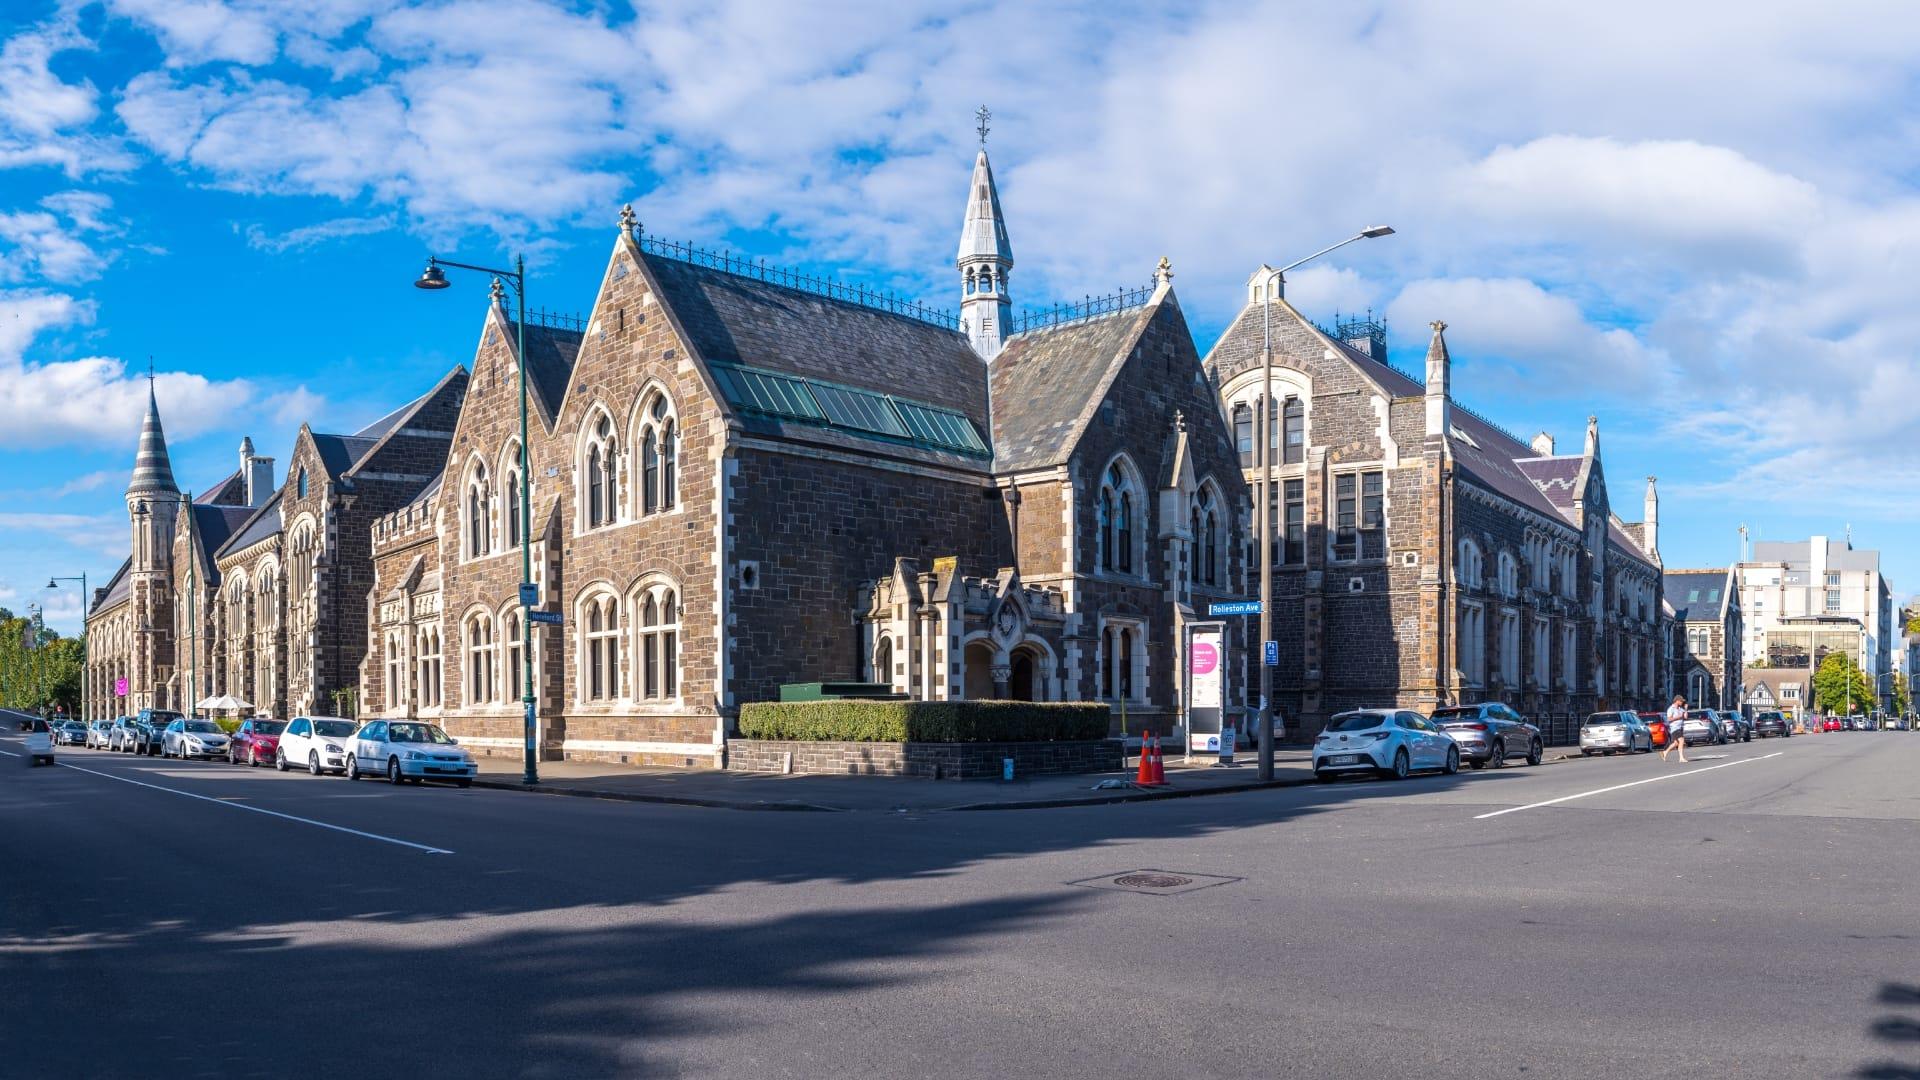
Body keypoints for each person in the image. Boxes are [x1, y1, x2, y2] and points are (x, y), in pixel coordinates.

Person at [1661, 694, 1689, 763]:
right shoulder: (1671, 709)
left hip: (1680, 727)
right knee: (1681, 740)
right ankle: (1681, 758)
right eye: (1681, 701)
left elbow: (1685, 717)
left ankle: (1664, 752)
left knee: (1676, 743)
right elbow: (1669, 719)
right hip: (1675, 728)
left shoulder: (1680, 709)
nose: (1682, 702)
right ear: (1677, 701)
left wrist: (1685, 709)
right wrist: (1678, 717)